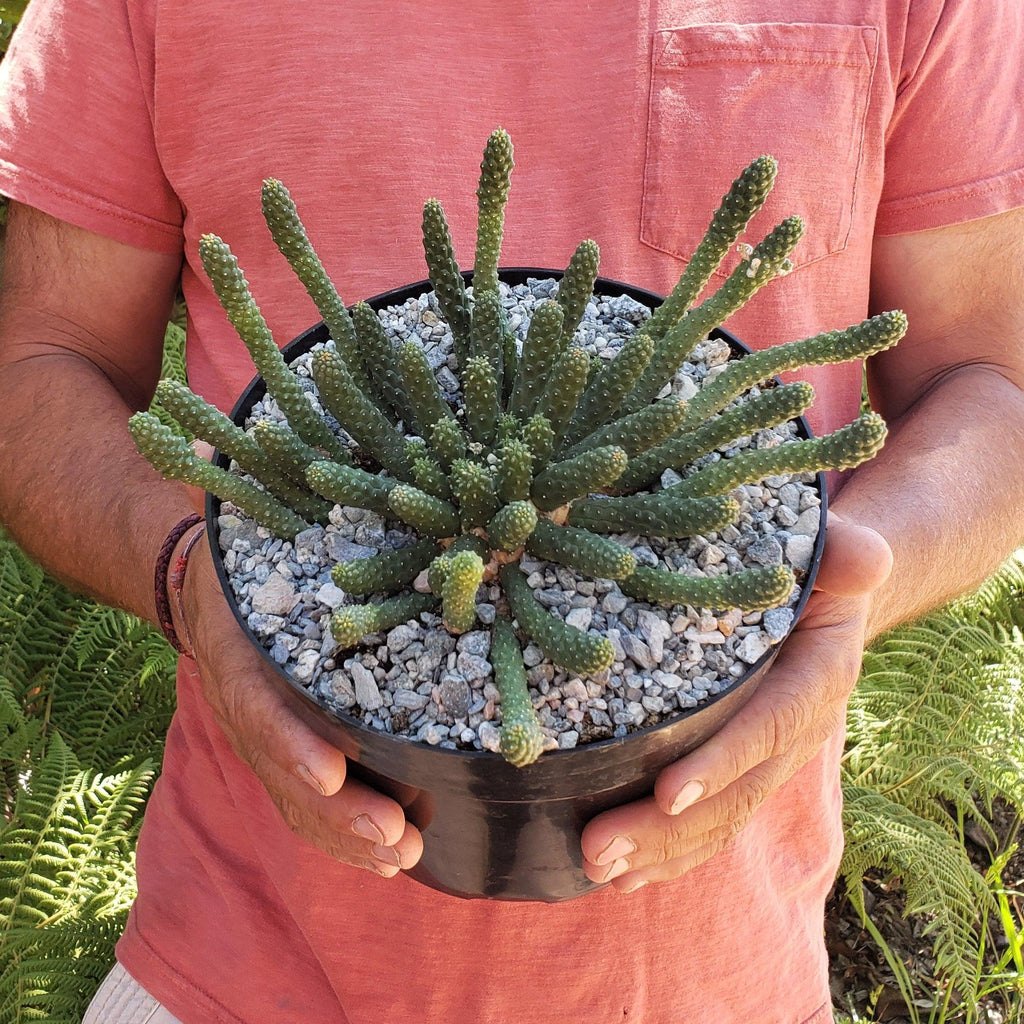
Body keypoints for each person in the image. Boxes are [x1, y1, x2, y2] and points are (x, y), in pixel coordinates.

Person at [0, 0, 1022, 1021]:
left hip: (718, 982)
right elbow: (40, 358)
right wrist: (188, 577)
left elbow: (991, 378)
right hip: (230, 970)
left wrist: (846, 583)